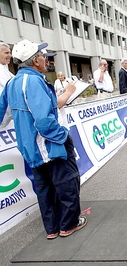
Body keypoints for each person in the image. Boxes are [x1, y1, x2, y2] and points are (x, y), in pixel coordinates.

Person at [0, 39, 87, 240]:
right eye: (42, 55)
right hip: (48, 144)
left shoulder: (12, 82)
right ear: (35, 61)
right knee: (67, 182)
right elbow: (43, 121)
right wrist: (63, 136)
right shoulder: (33, 80)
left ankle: (52, 229)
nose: (46, 58)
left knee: (45, 189)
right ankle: (68, 225)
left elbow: (2, 117)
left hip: (30, 147)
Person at [0, 42, 14, 127]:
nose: (10, 55)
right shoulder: (1, 70)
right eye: (6, 53)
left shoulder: (4, 69)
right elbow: (13, 89)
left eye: (10, 52)